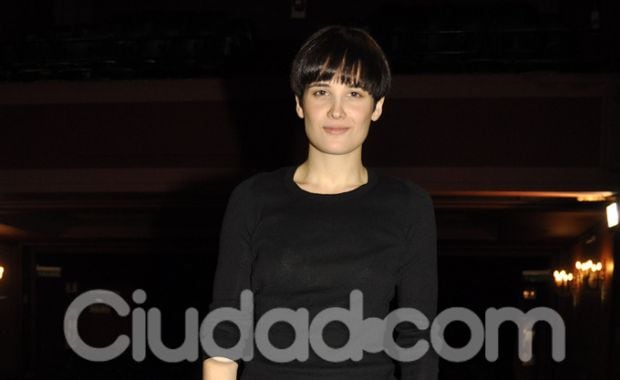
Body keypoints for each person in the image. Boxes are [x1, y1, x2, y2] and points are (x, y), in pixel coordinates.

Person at [202, 25, 438, 379]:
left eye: (355, 93)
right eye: (322, 91)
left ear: (377, 107)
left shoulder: (409, 206)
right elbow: (225, 331)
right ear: (299, 103)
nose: (337, 111)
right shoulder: (253, 199)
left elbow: (417, 338)